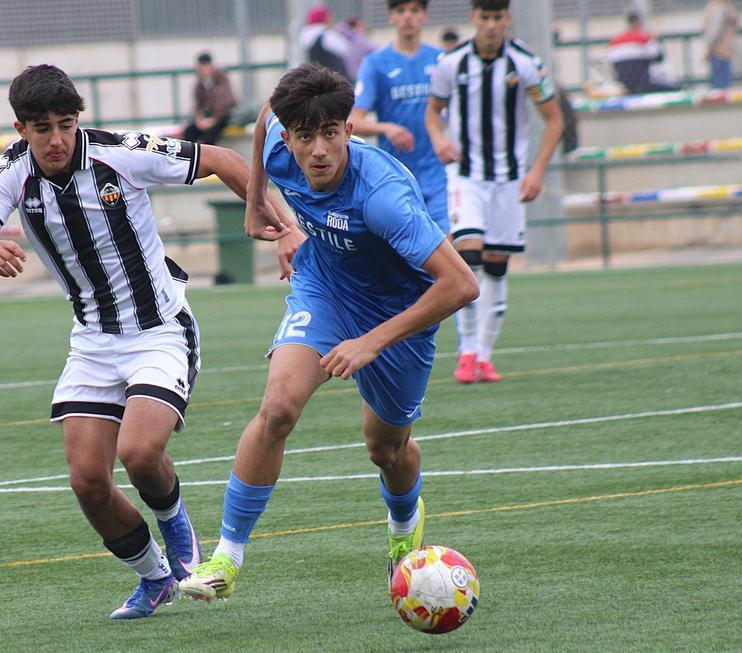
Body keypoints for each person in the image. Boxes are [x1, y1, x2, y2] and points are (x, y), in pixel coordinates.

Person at [0, 64, 287, 620]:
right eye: (42, 128)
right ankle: (154, 577)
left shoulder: (119, 152)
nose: (57, 139)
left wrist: (281, 224)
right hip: (91, 340)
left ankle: (180, 534)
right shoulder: (10, 170)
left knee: (139, 451)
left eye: (66, 124)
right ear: (21, 129)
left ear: (79, 119)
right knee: (87, 481)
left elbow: (225, 160)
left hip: (159, 329)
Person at [177, 63, 479, 603]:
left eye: (331, 133)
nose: (318, 149)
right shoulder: (278, 144)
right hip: (325, 289)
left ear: (349, 129)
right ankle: (226, 557)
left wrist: (372, 340)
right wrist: (257, 207)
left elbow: (461, 285)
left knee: (386, 449)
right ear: (290, 137)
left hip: (400, 312)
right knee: (278, 408)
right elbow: (265, 114)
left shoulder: (383, 197)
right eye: (305, 136)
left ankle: (403, 531)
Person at [425, 0, 564, 384]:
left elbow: (554, 120)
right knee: (468, 258)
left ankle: (485, 356)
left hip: (508, 180)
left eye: (496, 18)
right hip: (466, 177)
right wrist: (438, 138)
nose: (490, 25)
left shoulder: (525, 63)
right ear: (473, 18)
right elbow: (433, 111)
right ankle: (467, 352)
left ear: (507, 19)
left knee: (498, 268)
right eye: (483, 18)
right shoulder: (452, 63)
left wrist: (536, 171)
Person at [351, 0, 450, 235]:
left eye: (414, 11)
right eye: (401, 11)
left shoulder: (441, 60)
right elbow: (353, 122)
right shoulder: (375, 64)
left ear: (424, 16)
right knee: (406, 251)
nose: (408, 17)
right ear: (391, 16)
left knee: (449, 246)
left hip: (439, 173)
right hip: (396, 175)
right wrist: (386, 128)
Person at [606, 12, 679, 94]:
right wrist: (656, 40)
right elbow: (659, 57)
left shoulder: (614, 41)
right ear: (638, 22)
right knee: (675, 88)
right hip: (644, 85)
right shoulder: (645, 38)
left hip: (624, 88)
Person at [182, 52, 236, 145]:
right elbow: (197, 104)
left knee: (210, 134)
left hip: (223, 116)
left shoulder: (221, 78)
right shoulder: (199, 83)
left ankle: (206, 156)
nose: (204, 70)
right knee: (189, 132)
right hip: (207, 117)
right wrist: (199, 119)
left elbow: (224, 102)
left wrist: (214, 119)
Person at [299, 4, 350, 78]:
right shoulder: (327, 36)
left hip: (319, 78)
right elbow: (345, 49)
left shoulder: (306, 35)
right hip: (335, 78)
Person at [702, 0, 738, 89]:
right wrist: (709, 50)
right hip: (719, 53)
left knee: (720, 87)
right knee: (720, 89)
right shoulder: (719, 8)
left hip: (721, 52)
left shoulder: (723, 7)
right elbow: (714, 33)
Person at [337, 16, 376, 82]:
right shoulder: (358, 40)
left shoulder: (342, 38)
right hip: (360, 76)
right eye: (361, 25)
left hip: (348, 76)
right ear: (355, 27)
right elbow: (377, 50)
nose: (363, 28)